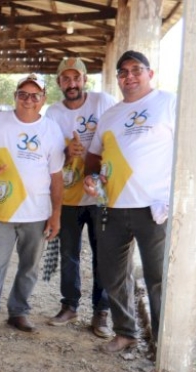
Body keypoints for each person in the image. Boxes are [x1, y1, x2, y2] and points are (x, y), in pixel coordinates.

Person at [0, 74, 65, 341]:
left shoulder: (51, 129)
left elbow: (57, 176)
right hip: (4, 210)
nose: (28, 100)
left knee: (29, 266)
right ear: (15, 96)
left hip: (38, 212)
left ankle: (18, 311)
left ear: (43, 100)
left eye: (35, 95)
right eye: (23, 94)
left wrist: (56, 214)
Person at [83, 50, 176, 353]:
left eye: (136, 70)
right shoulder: (111, 114)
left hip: (154, 208)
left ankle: (162, 344)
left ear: (150, 73)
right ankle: (125, 333)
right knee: (112, 274)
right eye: (123, 72)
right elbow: (95, 156)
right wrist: (92, 177)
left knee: (157, 278)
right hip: (111, 206)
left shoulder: (168, 103)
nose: (129, 76)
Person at [44, 57, 117, 338]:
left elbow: (117, 137)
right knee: (69, 254)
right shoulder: (52, 113)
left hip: (100, 194)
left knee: (103, 255)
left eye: (76, 78)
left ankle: (101, 312)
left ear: (85, 80)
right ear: (59, 82)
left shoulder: (103, 102)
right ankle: (69, 305)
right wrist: (67, 152)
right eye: (66, 78)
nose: (71, 83)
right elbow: (47, 154)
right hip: (69, 195)